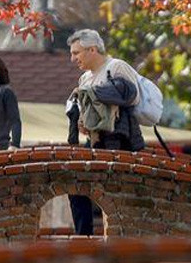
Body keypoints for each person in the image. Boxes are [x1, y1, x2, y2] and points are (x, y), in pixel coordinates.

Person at [65, 29, 144, 235]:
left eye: (76, 53)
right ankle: (84, 238)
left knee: (117, 194)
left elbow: (131, 97)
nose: (73, 58)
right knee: (75, 185)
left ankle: (121, 239)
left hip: (121, 141)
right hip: (94, 142)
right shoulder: (84, 78)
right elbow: (88, 112)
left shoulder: (116, 66)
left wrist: (93, 93)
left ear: (92, 49)